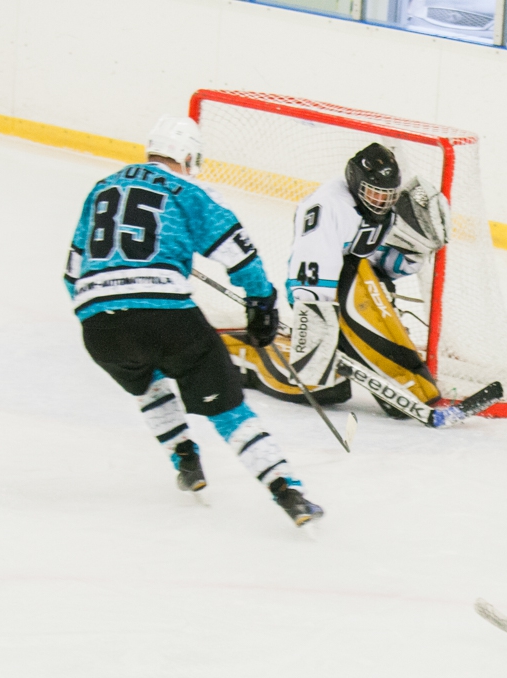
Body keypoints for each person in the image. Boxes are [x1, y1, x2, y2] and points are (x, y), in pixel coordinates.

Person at [65, 116, 323, 527]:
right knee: (227, 408)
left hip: (98, 326)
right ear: (187, 157)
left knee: (145, 381)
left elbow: (72, 274)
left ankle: (185, 460)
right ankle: (286, 490)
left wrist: (106, 310)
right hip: (168, 317)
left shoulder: (101, 189)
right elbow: (238, 251)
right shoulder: (188, 189)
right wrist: (261, 304)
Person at [227, 142, 450, 417]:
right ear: (356, 182)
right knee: (322, 386)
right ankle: (251, 354)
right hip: (318, 293)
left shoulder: (378, 208)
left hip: (354, 284)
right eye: (375, 194)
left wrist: (413, 252)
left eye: (387, 196)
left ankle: (409, 383)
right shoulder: (328, 207)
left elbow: (379, 260)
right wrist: (318, 324)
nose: (381, 202)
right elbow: (312, 263)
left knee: (337, 381)